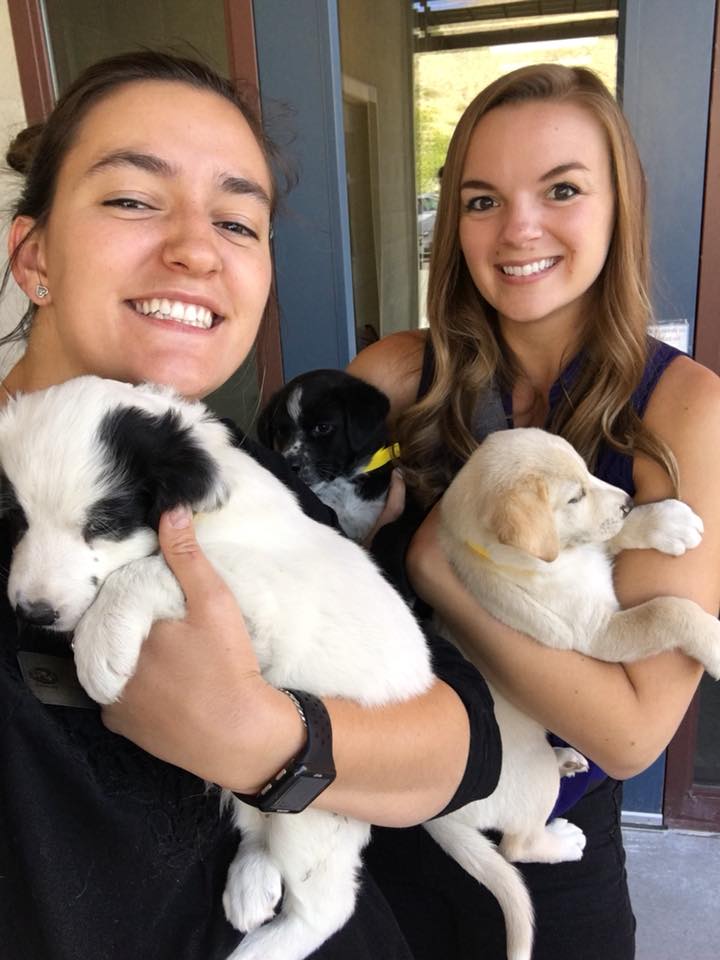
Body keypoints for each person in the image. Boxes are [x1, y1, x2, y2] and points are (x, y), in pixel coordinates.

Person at [0, 51, 503, 960]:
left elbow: (462, 743)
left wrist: (277, 742)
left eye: (238, 220)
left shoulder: (237, 469)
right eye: (131, 198)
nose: (196, 248)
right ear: (33, 255)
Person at [349, 63, 720, 960]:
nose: (518, 228)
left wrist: (445, 570)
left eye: (561, 189)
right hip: (368, 819)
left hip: (548, 844)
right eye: (482, 199)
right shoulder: (396, 378)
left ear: (618, 206)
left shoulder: (683, 411)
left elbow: (631, 733)